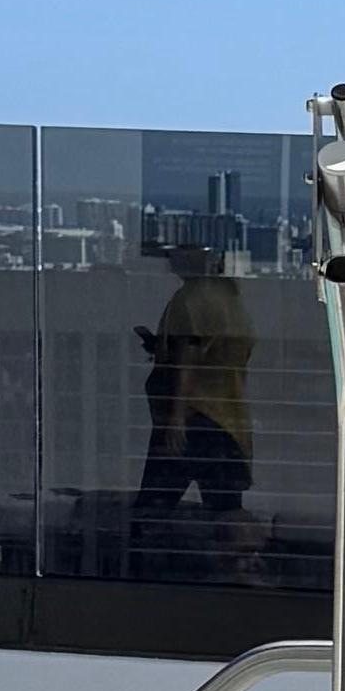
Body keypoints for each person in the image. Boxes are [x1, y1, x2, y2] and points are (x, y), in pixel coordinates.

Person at [129, 231, 259, 567]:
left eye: (180, 253)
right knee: (226, 507)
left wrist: (175, 418)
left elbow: (187, 358)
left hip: (193, 419)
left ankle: (142, 576)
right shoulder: (230, 298)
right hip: (227, 422)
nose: (173, 261)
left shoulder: (192, 297)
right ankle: (247, 567)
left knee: (152, 510)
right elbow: (214, 357)